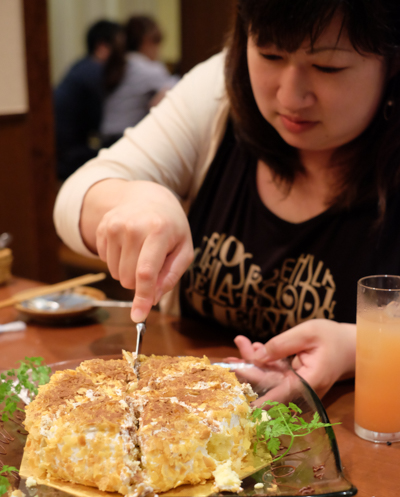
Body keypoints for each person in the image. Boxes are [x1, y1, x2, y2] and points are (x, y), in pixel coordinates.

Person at [54, 0, 400, 400]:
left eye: (328, 67)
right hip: (188, 418)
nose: (290, 96)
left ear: (390, 62)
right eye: (269, 54)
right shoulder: (218, 92)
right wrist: (137, 198)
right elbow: (75, 196)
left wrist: (359, 347)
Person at [54, 19, 125, 181]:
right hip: (68, 156)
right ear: (102, 47)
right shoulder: (94, 72)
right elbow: (98, 124)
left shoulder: (81, 66)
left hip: (60, 151)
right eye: (120, 47)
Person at [100, 15, 179, 146]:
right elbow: (164, 101)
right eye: (158, 43)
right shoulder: (149, 69)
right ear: (147, 41)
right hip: (127, 141)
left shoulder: (119, 63)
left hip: (107, 140)